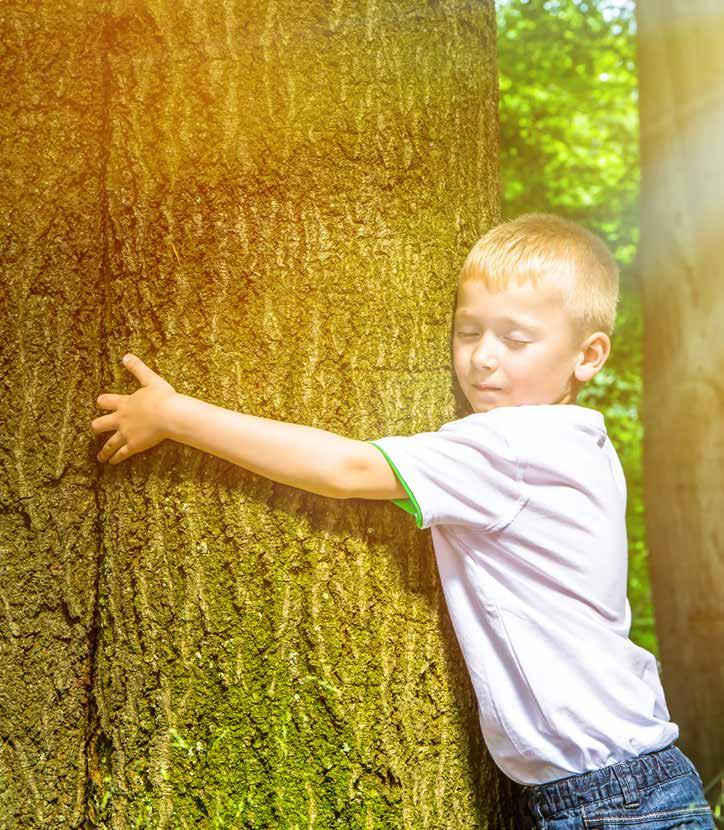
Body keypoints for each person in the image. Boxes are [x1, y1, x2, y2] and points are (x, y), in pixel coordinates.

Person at [90, 213, 715, 829]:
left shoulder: (515, 445)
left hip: (614, 805)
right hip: (621, 787)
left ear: (589, 355)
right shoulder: (579, 442)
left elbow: (345, 470)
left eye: (516, 340)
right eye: (469, 332)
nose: (483, 359)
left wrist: (175, 417)